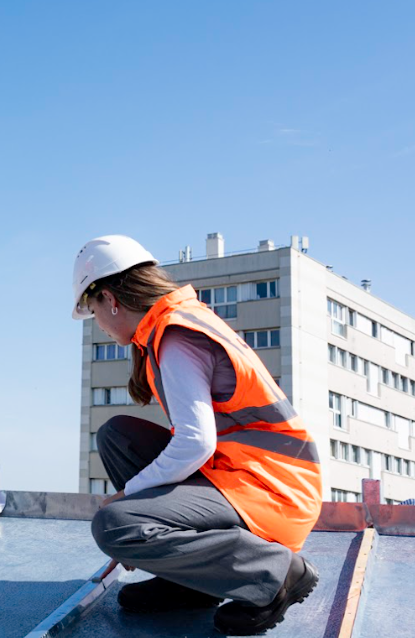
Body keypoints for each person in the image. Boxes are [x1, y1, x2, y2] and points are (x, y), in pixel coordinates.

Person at [72, 235, 323, 636]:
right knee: (117, 435)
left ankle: (274, 572)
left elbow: (195, 443)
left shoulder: (176, 337)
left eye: (92, 308)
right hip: (242, 475)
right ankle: (193, 582)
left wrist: (130, 499)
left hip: (271, 490)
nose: (97, 322)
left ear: (109, 298)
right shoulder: (169, 328)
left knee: (114, 525)